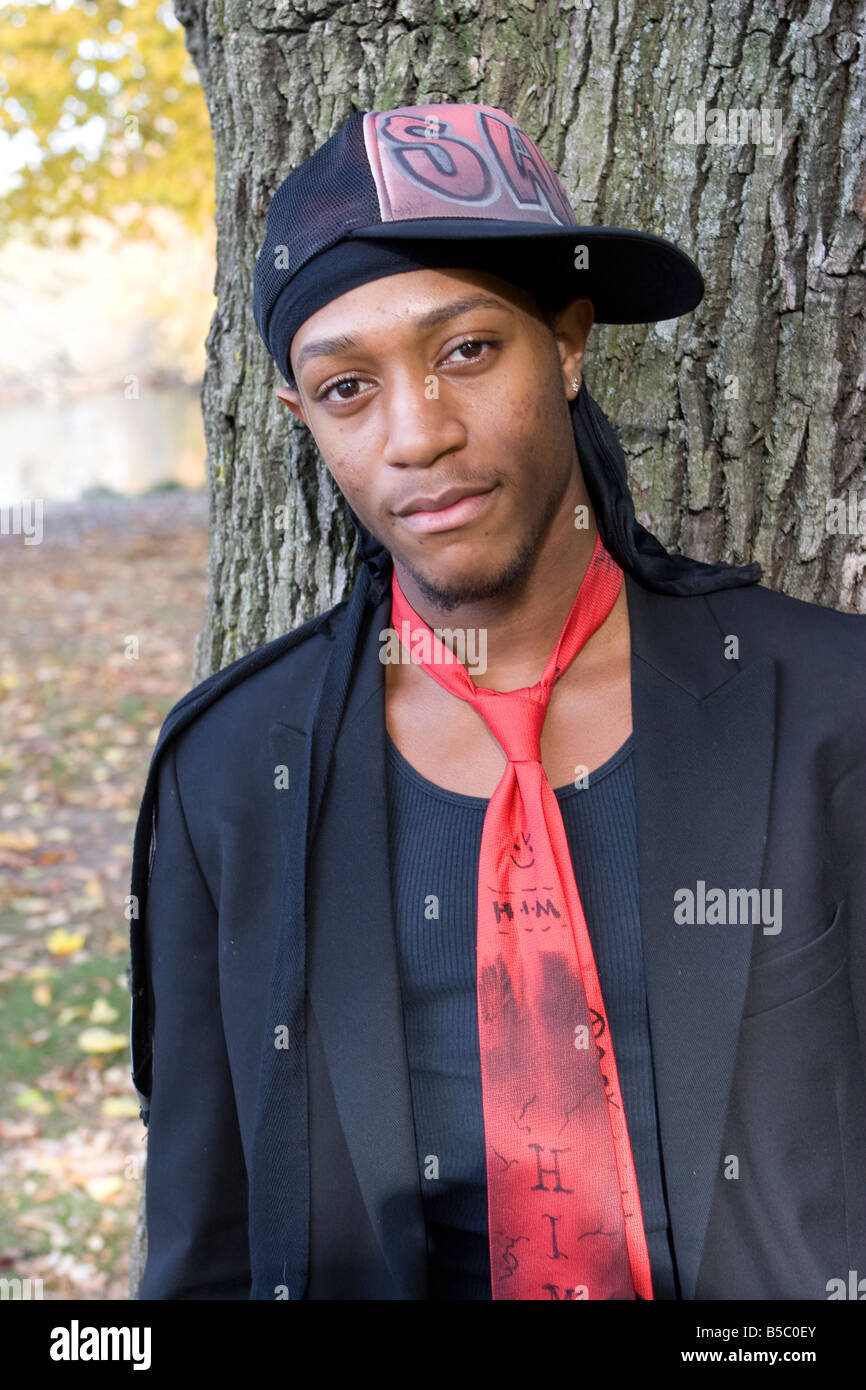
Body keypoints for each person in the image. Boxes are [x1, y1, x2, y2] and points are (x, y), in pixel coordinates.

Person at [129, 103, 866, 1301]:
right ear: (303, 420)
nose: (416, 434)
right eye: (349, 387)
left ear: (567, 345)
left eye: (467, 349)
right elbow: (205, 1248)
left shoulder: (832, 710)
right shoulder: (228, 780)